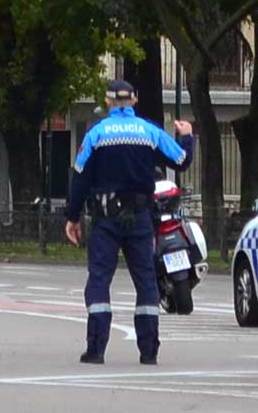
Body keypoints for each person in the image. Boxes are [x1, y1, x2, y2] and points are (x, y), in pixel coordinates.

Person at [65, 79, 194, 366]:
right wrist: (186, 136)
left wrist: (72, 217)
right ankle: (149, 352)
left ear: (108, 101)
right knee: (146, 283)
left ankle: (95, 350)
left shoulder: (96, 135)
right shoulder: (149, 132)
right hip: (140, 218)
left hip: (105, 219)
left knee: (99, 281)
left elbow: (80, 178)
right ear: (134, 100)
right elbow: (182, 160)